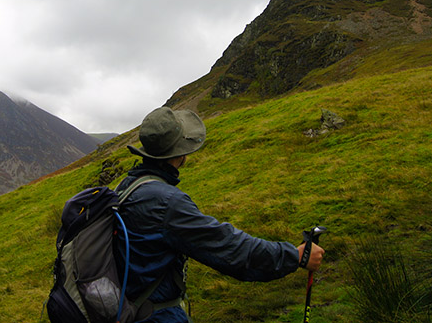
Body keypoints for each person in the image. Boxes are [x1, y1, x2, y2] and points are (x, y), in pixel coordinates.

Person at [115, 107, 325, 322]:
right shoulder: (166, 202)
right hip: (156, 316)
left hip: (126, 309)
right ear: (180, 153)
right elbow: (230, 249)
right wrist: (295, 256)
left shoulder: (127, 186)